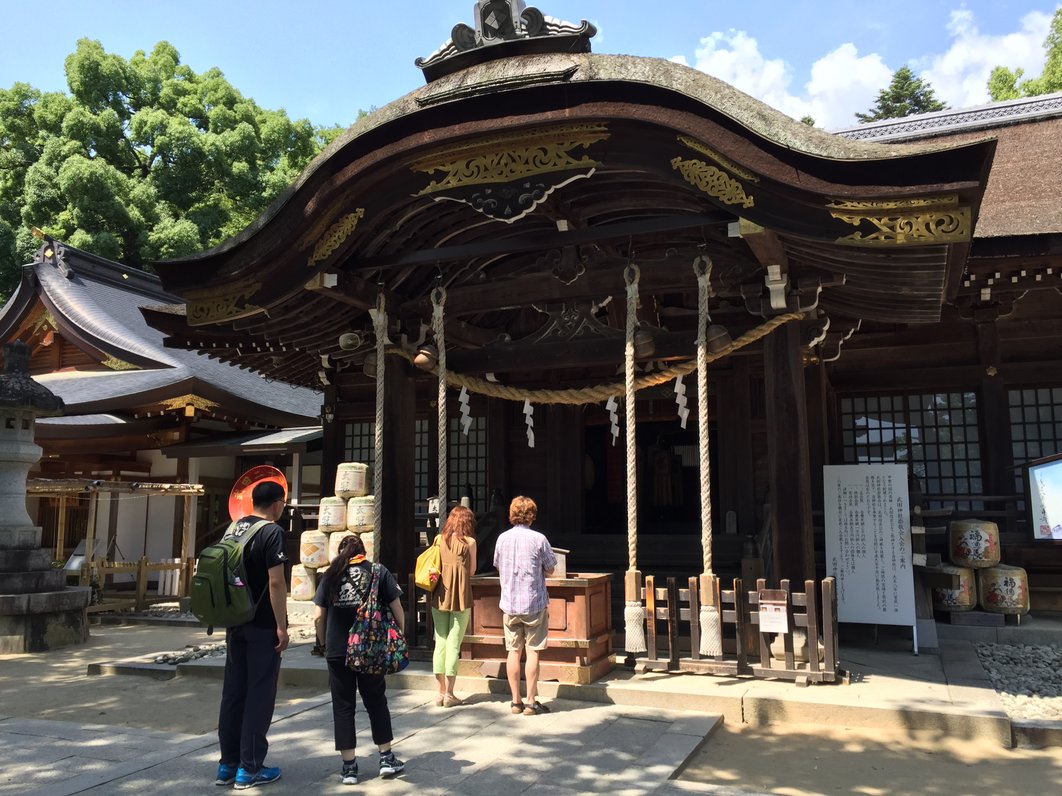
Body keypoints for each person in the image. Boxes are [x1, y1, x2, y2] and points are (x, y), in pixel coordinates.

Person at [313, 534, 406, 786]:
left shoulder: (330, 575)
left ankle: (349, 767)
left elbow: (318, 615)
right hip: (370, 647)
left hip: (337, 648)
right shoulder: (378, 571)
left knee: (343, 706)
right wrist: (399, 633)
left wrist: (322, 643)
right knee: (376, 700)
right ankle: (386, 758)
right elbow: (397, 607)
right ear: (363, 551)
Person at [216, 481, 289, 789]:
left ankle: (227, 764)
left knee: (234, 692)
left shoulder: (233, 529)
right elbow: (276, 582)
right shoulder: (271, 532)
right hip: (261, 624)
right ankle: (250, 767)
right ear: (277, 504)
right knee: (260, 693)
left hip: (235, 621)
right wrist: (282, 625)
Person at [493, 495, 557, 716]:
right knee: (532, 651)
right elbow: (550, 569)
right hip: (534, 602)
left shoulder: (502, 539)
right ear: (531, 515)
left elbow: (497, 565)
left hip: (509, 602)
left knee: (512, 650)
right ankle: (531, 701)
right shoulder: (539, 539)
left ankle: (515, 701)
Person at [430, 505, 477, 706]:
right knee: (454, 643)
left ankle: (440, 692)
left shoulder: (439, 540)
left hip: (440, 594)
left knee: (440, 640)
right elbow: (472, 570)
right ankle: (450, 693)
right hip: (461, 595)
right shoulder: (470, 542)